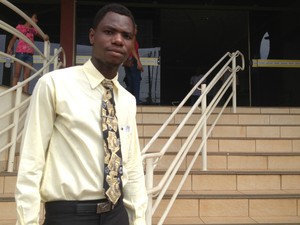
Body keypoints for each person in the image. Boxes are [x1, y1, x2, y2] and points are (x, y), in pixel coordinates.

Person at [15, 3, 148, 225]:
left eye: (127, 35)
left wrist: (139, 220)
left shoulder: (127, 100)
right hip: (69, 215)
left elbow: (132, 167)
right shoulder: (54, 84)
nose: (118, 40)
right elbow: (32, 162)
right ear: (92, 36)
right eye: (109, 32)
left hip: (117, 215)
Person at [123, 24, 144, 104]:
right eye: (135, 28)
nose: (136, 30)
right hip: (133, 61)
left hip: (128, 61)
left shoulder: (127, 38)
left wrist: (124, 60)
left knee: (131, 82)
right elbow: (132, 49)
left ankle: (128, 98)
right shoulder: (132, 37)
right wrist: (138, 61)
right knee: (136, 81)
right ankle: (136, 100)